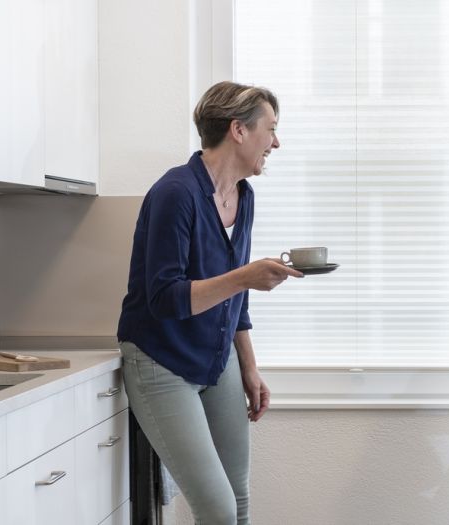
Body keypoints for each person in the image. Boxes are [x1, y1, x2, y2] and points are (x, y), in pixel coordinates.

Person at [117, 81, 300, 525]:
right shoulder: (175, 193)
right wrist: (246, 276)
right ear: (238, 130)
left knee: (237, 501)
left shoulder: (244, 196)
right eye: (270, 129)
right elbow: (164, 299)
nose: (276, 142)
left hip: (216, 360)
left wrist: (249, 368)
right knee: (216, 508)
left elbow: (237, 298)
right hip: (161, 362)